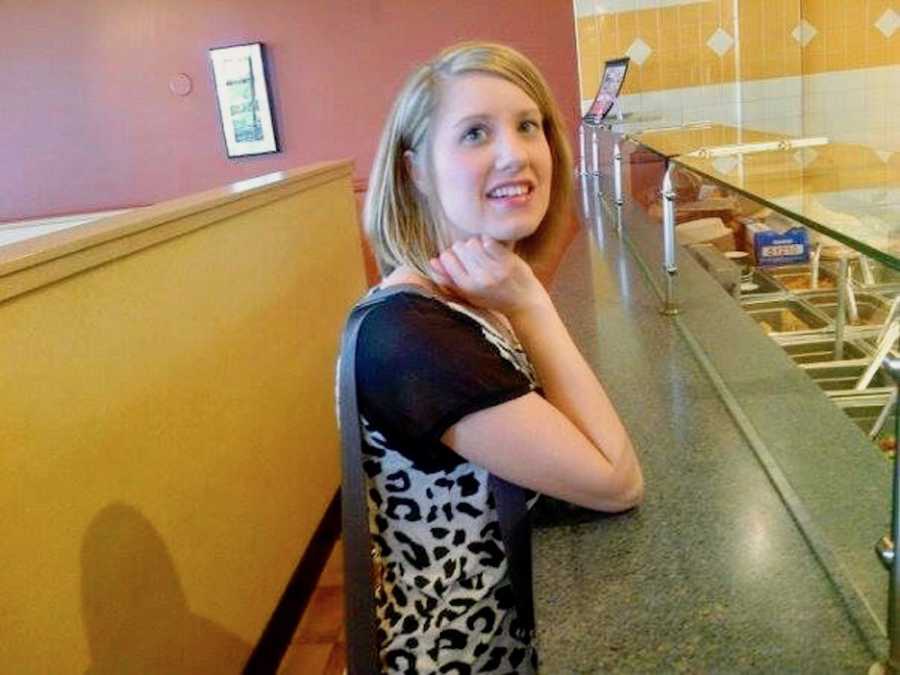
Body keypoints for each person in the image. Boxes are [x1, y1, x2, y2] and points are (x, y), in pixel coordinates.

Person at [348, 41, 644, 674]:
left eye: (527, 125)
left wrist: (518, 298)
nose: (516, 153)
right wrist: (532, 302)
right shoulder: (412, 334)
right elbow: (616, 482)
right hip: (469, 658)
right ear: (416, 171)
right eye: (476, 132)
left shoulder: (466, 295)